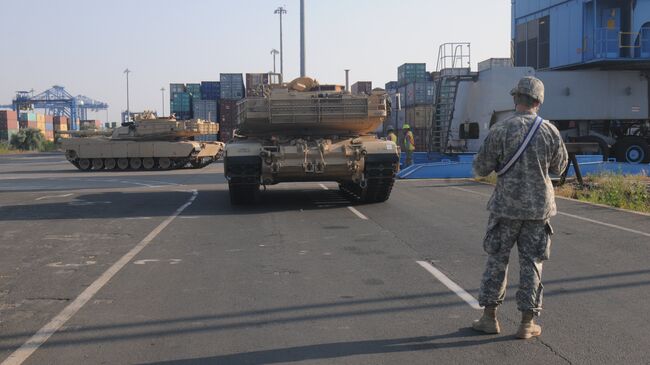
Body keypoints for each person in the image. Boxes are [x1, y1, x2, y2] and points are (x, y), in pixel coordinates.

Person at [471, 76, 568, 339]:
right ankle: (527, 323)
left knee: (497, 261)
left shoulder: (500, 130)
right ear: (539, 101)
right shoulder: (550, 131)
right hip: (538, 210)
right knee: (532, 264)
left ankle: (489, 318)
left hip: (505, 209)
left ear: (516, 99)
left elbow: (480, 169)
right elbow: (559, 167)